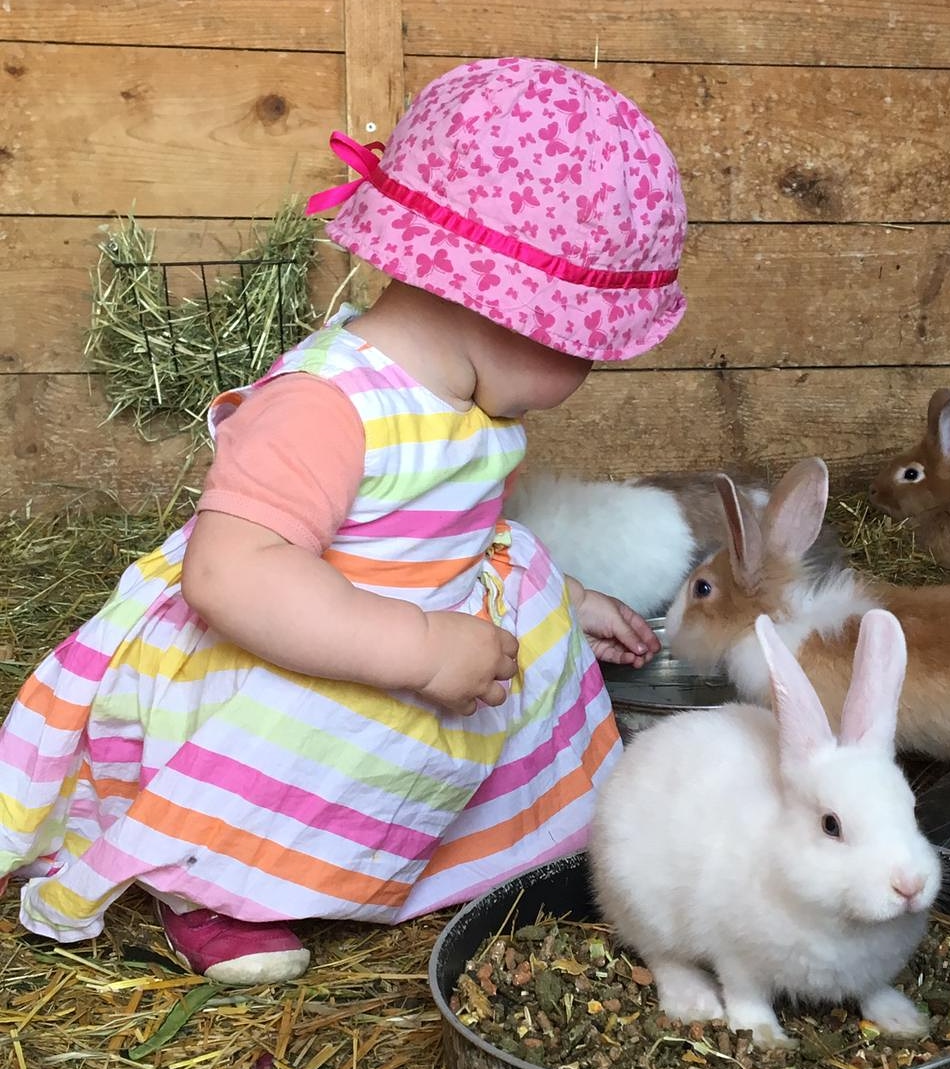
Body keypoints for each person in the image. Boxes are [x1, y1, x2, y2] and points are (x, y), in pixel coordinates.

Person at [0, 57, 687, 985]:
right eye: (587, 349)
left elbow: (452, 534)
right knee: (299, 740)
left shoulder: (465, 400)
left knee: (496, 675)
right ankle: (215, 888)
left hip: (420, 603)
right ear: (509, 310)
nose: (588, 375)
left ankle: (442, 851)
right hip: (295, 632)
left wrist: (564, 597)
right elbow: (233, 572)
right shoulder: (329, 403)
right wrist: (418, 650)